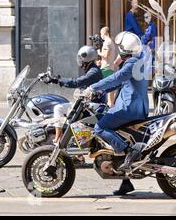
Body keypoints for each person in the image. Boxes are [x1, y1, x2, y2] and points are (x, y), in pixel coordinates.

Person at [85, 31, 149, 196]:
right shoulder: (137, 61)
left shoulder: (131, 64)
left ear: (123, 49)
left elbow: (117, 77)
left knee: (99, 128)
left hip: (130, 108)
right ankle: (125, 182)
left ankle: (128, 152)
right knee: (113, 131)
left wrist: (93, 87)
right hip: (135, 106)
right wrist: (101, 92)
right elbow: (121, 82)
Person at [47, 46, 104, 144]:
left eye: (81, 59)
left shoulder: (93, 72)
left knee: (64, 111)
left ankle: (62, 140)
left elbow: (77, 82)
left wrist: (57, 80)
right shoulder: (92, 69)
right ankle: (60, 138)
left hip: (92, 105)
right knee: (60, 109)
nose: (79, 61)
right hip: (86, 103)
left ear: (86, 58)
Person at [97, 27, 118, 107]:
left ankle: (110, 104)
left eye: (101, 33)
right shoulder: (110, 42)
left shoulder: (107, 42)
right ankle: (111, 104)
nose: (100, 35)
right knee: (110, 88)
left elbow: (105, 55)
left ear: (104, 33)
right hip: (109, 67)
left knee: (106, 87)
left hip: (106, 68)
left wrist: (99, 52)